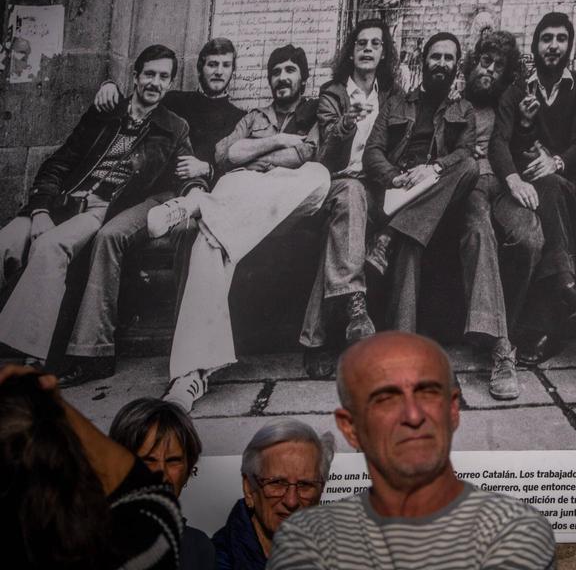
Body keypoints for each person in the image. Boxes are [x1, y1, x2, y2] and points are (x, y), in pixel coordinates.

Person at [268, 331, 555, 569]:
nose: (413, 416)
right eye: (385, 400)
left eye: (428, 393)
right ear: (350, 428)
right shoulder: (305, 541)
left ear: (453, 411)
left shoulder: (517, 531)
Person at [148, 44, 331, 412]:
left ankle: (195, 205)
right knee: (210, 240)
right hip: (242, 195)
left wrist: (258, 152)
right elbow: (225, 155)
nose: (282, 77)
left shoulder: (315, 112)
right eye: (276, 71)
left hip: (288, 203)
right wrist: (278, 139)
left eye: (290, 70)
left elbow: (306, 154)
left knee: (319, 174)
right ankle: (189, 375)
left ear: (303, 77)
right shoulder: (253, 116)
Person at [59, 37, 244, 387]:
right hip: (156, 194)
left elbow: (236, 164)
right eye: (212, 64)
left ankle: (186, 348)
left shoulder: (239, 117)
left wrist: (206, 169)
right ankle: (94, 345)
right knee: (109, 236)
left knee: (191, 237)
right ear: (199, 68)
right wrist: (109, 84)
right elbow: (136, 101)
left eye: (225, 65)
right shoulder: (174, 100)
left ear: (234, 71)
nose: (218, 71)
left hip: (197, 198)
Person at [0, 45, 195, 367]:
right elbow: (59, 163)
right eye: (149, 74)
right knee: (6, 241)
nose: (155, 82)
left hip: (99, 210)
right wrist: (39, 211)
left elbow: (186, 175)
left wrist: (202, 173)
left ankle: (31, 360)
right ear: (134, 76)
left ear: (170, 84)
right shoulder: (104, 113)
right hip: (58, 201)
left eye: (163, 77)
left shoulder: (174, 128)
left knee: (51, 246)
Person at [490, 12, 576, 366]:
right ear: (535, 45)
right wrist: (515, 174)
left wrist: (558, 163)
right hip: (525, 190)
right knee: (540, 227)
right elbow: (499, 143)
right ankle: (563, 292)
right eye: (546, 38)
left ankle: (560, 295)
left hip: (563, 184)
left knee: (551, 186)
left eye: (561, 38)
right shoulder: (518, 90)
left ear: (570, 45)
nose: (553, 46)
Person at [0, 364, 182, 570]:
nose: (161, 471)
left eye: (174, 460)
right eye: (148, 459)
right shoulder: (144, 546)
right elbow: (141, 487)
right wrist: (48, 395)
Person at [297, 20, 397, 379]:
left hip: (377, 188)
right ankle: (356, 303)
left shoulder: (391, 97)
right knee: (351, 200)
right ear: (351, 52)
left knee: (338, 240)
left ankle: (314, 342)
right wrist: (346, 123)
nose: (368, 49)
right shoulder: (333, 94)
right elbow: (325, 155)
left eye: (375, 44)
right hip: (337, 184)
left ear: (384, 53)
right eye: (361, 43)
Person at [361, 32, 479, 333]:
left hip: (436, 188)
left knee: (469, 165)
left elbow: (465, 152)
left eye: (448, 58)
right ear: (424, 60)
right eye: (435, 56)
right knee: (412, 239)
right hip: (399, 188)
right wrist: (394, 177)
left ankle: (387, 236)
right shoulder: (396, 103)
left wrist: (434, 168)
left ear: (457, 66)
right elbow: (372, 151)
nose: (441, 63)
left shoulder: (463, 109)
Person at [458, 30, 544, 399]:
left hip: (505, 186)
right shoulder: (458, 102)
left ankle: (498, 322)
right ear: (473, 63)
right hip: (469, 187)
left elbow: (520, 150)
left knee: (530, 237)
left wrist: (525, 125)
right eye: (484, 62)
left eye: (498, 66)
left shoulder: (510, 105)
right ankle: (501, 350)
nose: (489, 71)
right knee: (481, 234)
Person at [212, 419, 333, 570]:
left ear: (320, 492)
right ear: (249, 489)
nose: (291, 501)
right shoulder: (209, 560)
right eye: (277, 483)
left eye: (305, 485)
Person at [109, 397, 215, 570]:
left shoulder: (199, 547)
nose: (162, 475)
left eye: (173, 461)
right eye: (148, 460)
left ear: (188, 472)